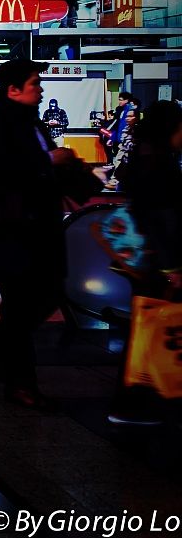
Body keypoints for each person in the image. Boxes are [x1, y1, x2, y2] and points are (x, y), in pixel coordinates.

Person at [0, 59, 73, 410]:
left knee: (45, 296)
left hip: (39, 230)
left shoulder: (33, 124)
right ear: (13, 89)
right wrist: (48, 161)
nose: (41, 88)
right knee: (21, 306)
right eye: (35, 83)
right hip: (12, 231)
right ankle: (21, 383)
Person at [114, 100, 182, 425]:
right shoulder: (160, 162)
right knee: (152, 329)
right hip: (158, 260)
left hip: (143, 256)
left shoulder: (141, 154)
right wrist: (172, 267)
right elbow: (163, 218)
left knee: (145, 328)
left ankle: (138, 397)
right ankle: (139, 399)